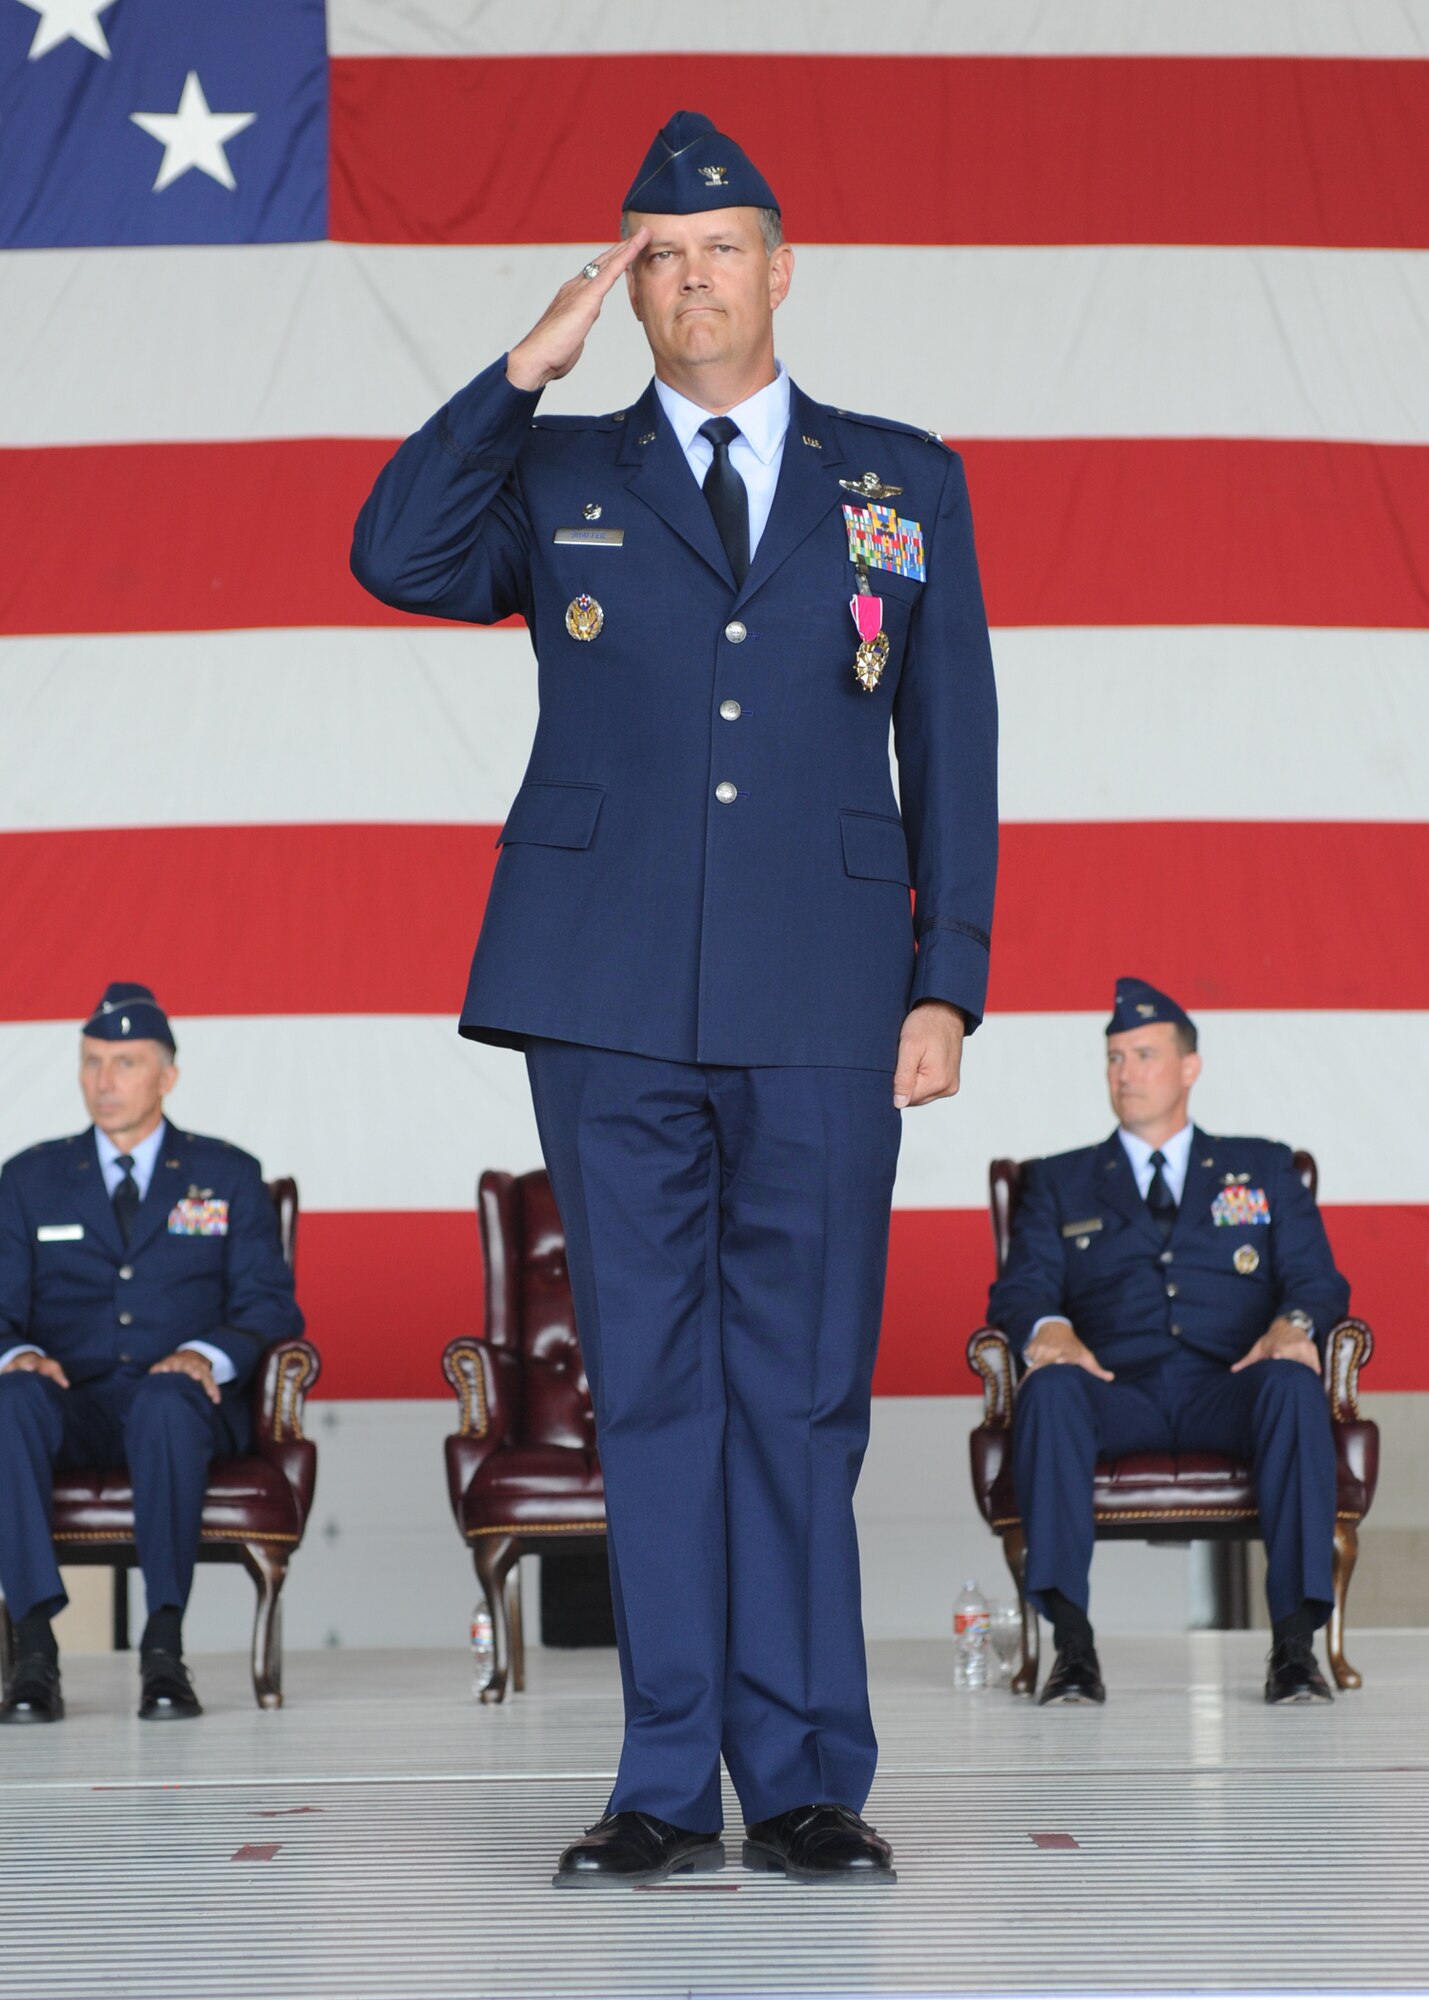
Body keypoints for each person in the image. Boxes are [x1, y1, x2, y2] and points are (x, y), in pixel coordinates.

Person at [352, 110, 997, 1884]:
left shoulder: (901, 481)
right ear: (623, 284)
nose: (692, 278)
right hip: (606, 986)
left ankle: (798, 1781)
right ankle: (658, 1784)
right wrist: (519, 372)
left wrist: (946, 982)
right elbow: (395, 553)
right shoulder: (557, 467)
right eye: (658, 254)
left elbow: (948, 739)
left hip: (826, 992)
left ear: (782, 271)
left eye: (720, 250)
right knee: (647, 1391)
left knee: (798, 1395)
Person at [988, 977, 1348, 1708]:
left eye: (1144, 1055)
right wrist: (1051, 1329)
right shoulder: (1058, 1181)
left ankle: (1293, 1648)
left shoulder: (1263, 1167)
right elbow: (1019, 1292)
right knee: (1049, 1390)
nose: (1125, 1073)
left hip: (1231, 1384)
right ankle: (1072, 1647)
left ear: (1189, 1067)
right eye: (1114, 1058)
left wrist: (1293, 1325)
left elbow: (1317, 1280)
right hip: (1113, 1390)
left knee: (1292, 1384)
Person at [0, 983, 303, 1723]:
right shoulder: (30, 1179)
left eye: (125, 1063)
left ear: (167, 1076)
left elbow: (270, 1304)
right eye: (92, 1062)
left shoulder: (227, 1174)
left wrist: (203, 1355)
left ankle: (163, 1648)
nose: (104, 1081)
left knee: (167, 1401)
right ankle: (33, 1651)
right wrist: (19, 1354)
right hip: (70, 1403)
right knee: (9, 1400)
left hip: (180, 1405)